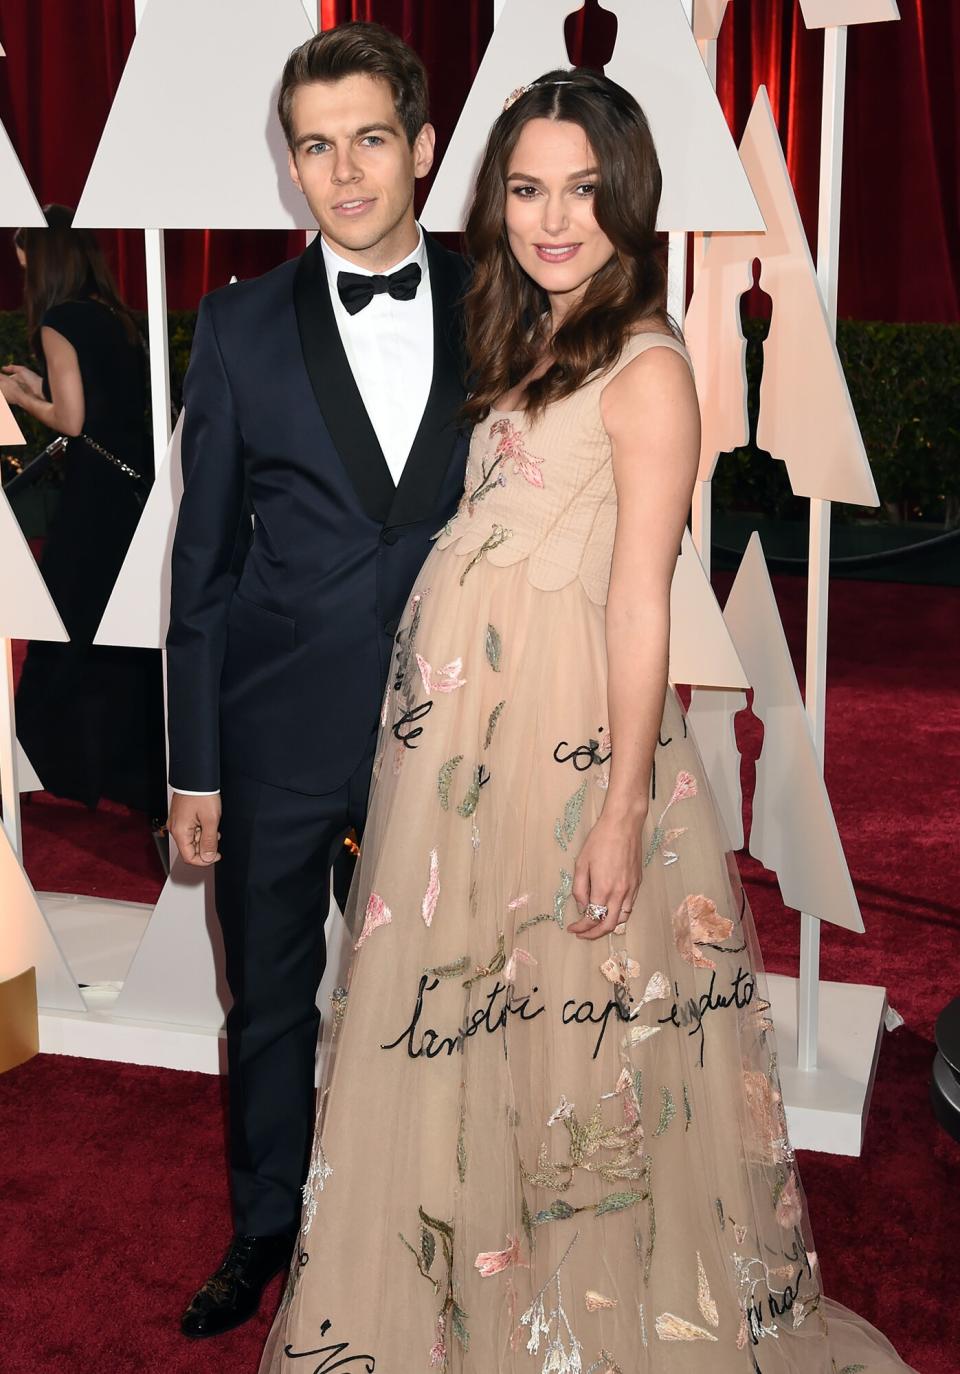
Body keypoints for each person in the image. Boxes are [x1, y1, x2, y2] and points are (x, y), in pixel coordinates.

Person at [260, 69, 919, 1374]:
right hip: (466, 753)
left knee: (578, 1032)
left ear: (627, 199)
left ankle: (577, 1319)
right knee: (477, 1015)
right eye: (526, 188)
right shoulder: (527, 332)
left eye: (581, 189)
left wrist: (620, 806)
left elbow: (636, 605)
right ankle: (478, 1300)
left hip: (564, 749)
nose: (552, 216)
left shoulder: (649, 365)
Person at [164, 23, 471, 1339]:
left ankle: (448, 1220)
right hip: (276, 732)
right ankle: (265, 1224)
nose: (343, 172)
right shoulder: (235, 328)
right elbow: (202, 562)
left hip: (461, 731)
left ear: (423, 147)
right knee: (272, 998)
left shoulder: (505, 298)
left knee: (450, 995)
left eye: (369, 139)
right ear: (289, 165)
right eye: (315, 145)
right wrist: (193, 762)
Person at [1, 205, 166, 820]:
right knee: (120, 637)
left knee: (66, 626)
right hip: (134, 495)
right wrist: (43, 389)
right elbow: (100, 407)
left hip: (95, 498)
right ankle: (131, 772)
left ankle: (48, 763)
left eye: (24, 264)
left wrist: (21, 397)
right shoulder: (113, 316)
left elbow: (72, 423)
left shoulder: (58, 320)